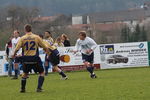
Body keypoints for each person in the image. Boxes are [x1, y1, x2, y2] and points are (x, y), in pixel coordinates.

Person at [13, 24, 48, 93]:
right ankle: (39, 88)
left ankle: (22, 89)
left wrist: (14, 54)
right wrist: (46, 50)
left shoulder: (22, 38)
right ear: (31, 29)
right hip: (35, 58)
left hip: (26, 59)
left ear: (25, 30)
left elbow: (17, 48)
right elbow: (44, 46)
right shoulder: (36, 37)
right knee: (41, 73)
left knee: (25, 74)